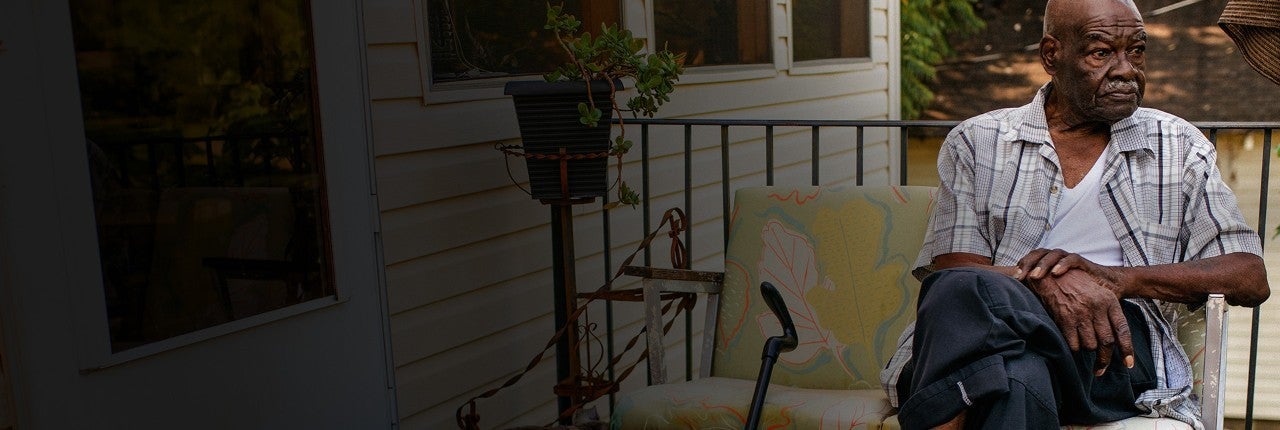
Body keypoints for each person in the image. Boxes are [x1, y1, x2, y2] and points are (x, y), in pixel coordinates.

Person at [880, 0, 1271, 428]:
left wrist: (1114, 280)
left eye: (1136, 51)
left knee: (961, 296)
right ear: (1052, 55)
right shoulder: (978, 141)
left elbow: (1248, 276)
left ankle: (938, 411)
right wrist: (1050, 283)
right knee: (1014, 369)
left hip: (1114, 349)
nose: (1126, 70)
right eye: (1101, 53)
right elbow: (957, 271)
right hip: (998, 345)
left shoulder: (1180, 146)